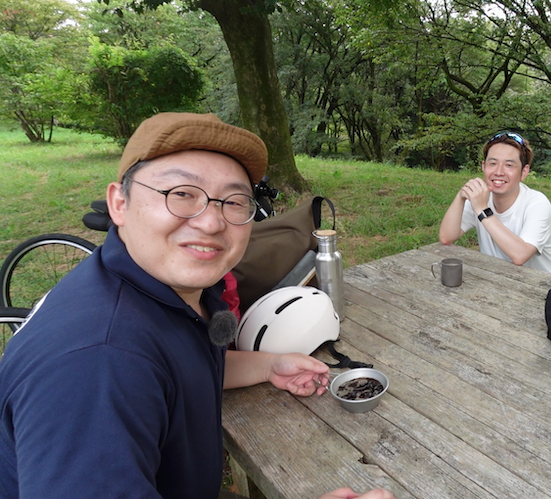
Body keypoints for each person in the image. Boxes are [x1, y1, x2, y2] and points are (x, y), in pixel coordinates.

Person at [0, 112, 394, 499]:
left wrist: (269, 365)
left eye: (235, 201)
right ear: (118, 203)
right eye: (182, 194)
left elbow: (175, 368)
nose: (210, 222)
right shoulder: (97, 362)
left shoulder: (167, 291)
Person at [439, 131, 551, 275]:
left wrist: (483, 211)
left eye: (509, 165)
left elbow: (520, 255)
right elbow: (447, 237)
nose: (499, 172)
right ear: (484, 166)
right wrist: (461, 196)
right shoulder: (481, 198)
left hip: (538, 288)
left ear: (524, 172)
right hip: (496, 280)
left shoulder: (537, 203)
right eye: (493, 163)